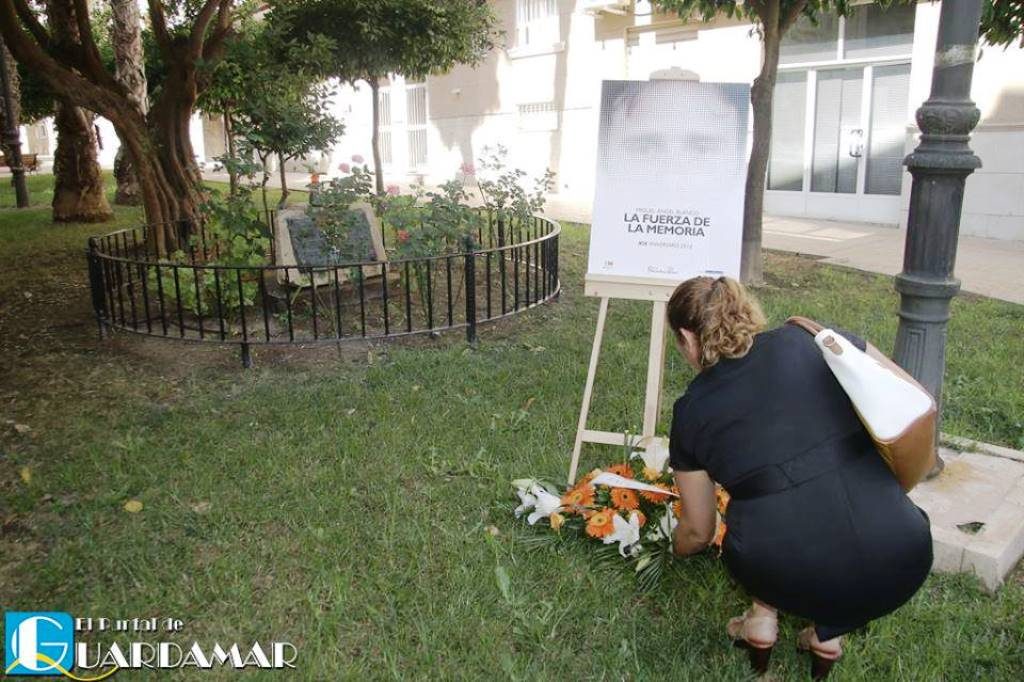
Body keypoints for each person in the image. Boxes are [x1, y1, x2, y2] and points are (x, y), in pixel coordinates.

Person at [666, 275, 933, 680]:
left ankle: (762, 620)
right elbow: (910, 395)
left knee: (766, 510)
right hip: (903, 551)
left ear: (687, 337)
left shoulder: (691, 411)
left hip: (782, 574)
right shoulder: (810, 338)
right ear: (745, 310)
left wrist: (675, 550)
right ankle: (826, 637)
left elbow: (698, 530)